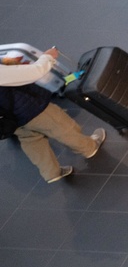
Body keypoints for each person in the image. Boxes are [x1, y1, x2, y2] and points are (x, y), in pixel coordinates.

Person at [0, 47, 105, 183]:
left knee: (32, 140)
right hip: (30, 108)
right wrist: (47, 57)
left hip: (9, 120)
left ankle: (51, 172)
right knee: (62, 127)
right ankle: (89, 147)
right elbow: (33, 72)